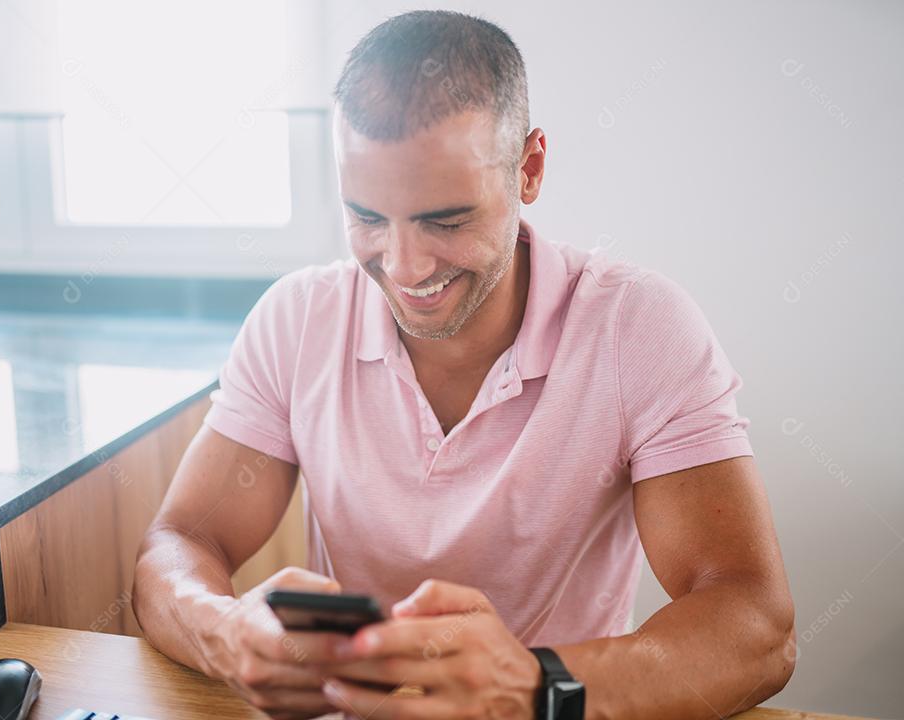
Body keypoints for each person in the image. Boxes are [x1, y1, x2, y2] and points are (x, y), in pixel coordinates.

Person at [133, 10, 795, 720]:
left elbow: (756, 627)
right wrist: (225, 632)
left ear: (530, 168)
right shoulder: (296, 319)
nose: (404, 267)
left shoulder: (637, 326)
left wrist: (534, 688)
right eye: (366, 217)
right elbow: (179, 545)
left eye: (446, 220)